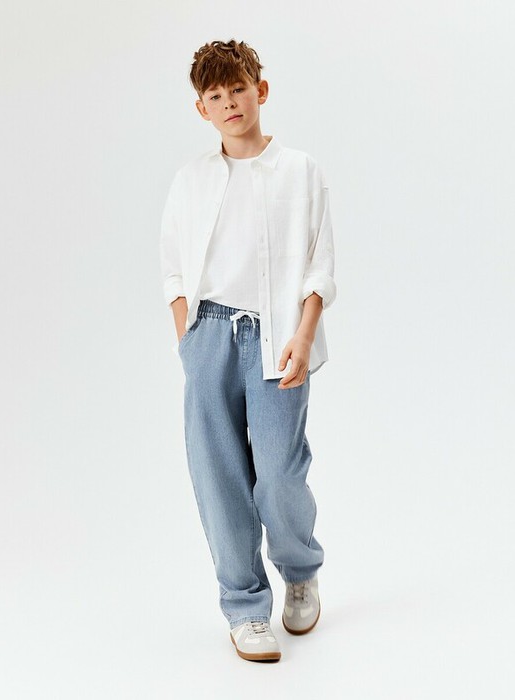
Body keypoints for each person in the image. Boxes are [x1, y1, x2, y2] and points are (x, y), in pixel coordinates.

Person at [160, 39, 337, 663]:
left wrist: (303, 335)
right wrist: (189, 342)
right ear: (202, 109)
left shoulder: (301, 170)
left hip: (278, 336)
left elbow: (318, 267)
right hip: (209, 334)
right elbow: (174, 271)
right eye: (215, 95)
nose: (229, 102)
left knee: (280, 473)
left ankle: (300, 570)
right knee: (219, 475)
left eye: (238, 88)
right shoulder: (190, 180)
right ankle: (244, 607)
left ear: (260, 90)